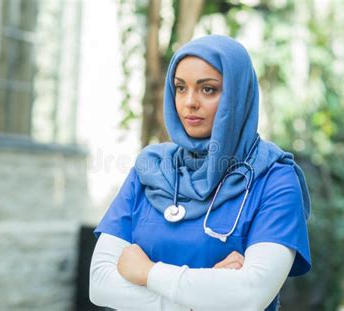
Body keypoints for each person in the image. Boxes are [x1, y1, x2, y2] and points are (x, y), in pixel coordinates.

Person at [89, 35, 311, 311]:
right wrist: (206, 300)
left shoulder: (275, 180)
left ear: (238, 95)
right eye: (180, 88)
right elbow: (100, 283)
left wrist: (148, 273)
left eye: (208, 89)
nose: (189, 102)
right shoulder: (149, 169)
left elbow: (250, 295)